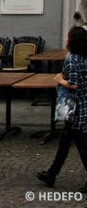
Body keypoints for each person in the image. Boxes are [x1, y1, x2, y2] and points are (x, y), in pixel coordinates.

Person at [38, 26, 87, 188]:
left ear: (72, 41)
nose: (65, 39)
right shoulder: (83, 57)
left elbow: (73, 84)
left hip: (75, 110)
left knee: (82, 147)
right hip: (81, 107)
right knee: (65, 144)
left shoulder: (72, 59)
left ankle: (51, 174)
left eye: (68, 36)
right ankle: (51, 174)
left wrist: (59, 80)